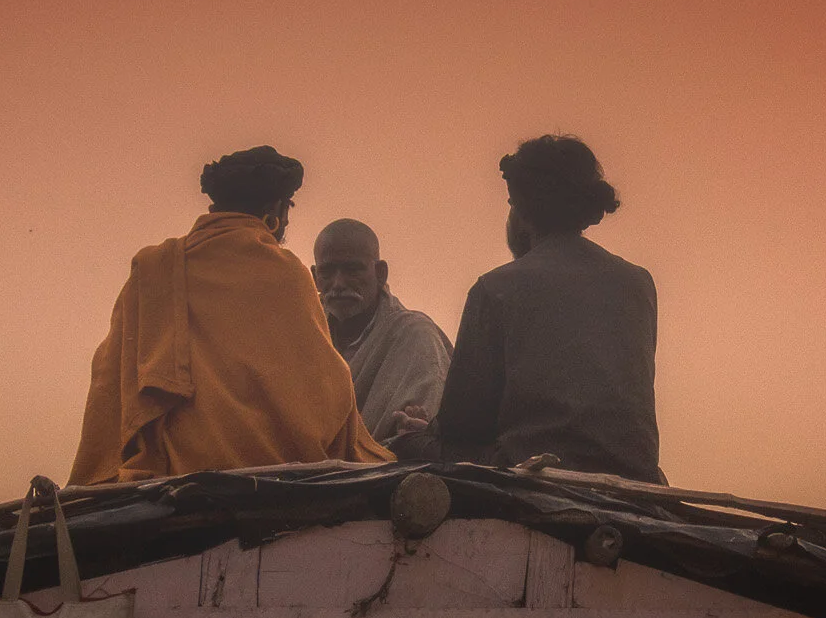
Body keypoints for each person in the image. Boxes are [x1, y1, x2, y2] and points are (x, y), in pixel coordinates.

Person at [70, 146, 391, 484]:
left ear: (215, 207)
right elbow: (329, 397)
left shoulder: (153, 270)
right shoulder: (286, 275)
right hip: (270, 478)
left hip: (163, 479)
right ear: (275, 213)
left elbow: (108, 384)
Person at [392, 135, 662, 484]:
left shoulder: (496, 287)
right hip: (633, 473)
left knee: (405, 445)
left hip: (532, 468)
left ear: (519, 208)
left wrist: (423, 434)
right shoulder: (638, 283)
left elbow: (463, 425)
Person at [311, 218, 453, 447]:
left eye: (352, 270)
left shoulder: (415, 336)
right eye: (327, 272)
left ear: (380, 273)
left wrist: (417, 433)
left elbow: (427, 434)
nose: (338, 283)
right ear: (314, 278)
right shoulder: (304, 335)